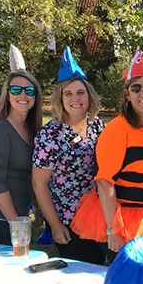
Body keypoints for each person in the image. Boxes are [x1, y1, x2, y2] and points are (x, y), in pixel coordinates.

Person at [71, 48, 143, 261]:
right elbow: (105, 183)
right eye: (136, 88)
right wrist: (112, 230)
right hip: (124, 219)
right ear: (127, 94)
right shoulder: (117, 129)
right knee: (132, 279)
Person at [32, 46, 106, 265]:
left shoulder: (97, 126)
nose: (76, 99)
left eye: (80, 92)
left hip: (97, 216)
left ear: (89, 96)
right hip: (68, 220)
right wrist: (55, 225)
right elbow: (39, 184)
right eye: (69, 93)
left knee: (99, 270)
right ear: (60, 99)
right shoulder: (51, 133)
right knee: (78, 275)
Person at [0, 45, 43, 244]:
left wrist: (36, 206)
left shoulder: (32, 128)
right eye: (16, 90)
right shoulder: (0, 129)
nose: (23, 95)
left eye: (29, 90)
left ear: (35, 96)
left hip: (17, 215)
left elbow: (32, 173)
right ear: (7, 94)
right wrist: (15, 223)